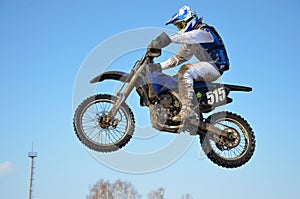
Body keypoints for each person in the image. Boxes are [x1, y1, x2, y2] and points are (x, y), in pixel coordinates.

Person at [148, 5, 230, 122]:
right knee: (174, 81)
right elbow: (178, 58)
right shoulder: (190, 41)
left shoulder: (205, 31)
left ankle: (187, 110)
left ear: (189, 20)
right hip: (205, 68)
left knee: (185, 70)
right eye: (178, 27)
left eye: (180, 25)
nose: (180, 29)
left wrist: (167, 39)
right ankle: (178, 109)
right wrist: (159, 66)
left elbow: (193, 36)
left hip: (215, 66)